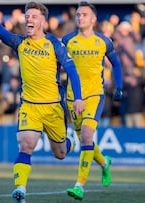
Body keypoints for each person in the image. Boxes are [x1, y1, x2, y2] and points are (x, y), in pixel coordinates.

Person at [0, 3, 85, 203]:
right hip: (29, 106)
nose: (29, 20)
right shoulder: (20, 43)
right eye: (27, 16)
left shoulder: (55, 44)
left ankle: (70, 143)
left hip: (53, 107)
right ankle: (20, 189)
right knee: (26, 145)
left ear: (43, 21)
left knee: (60, 153)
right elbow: (0, 31)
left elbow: (73, 72)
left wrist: (77, 97)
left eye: (33, 16)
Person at [61, 1, 123, 200]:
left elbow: (117, 64)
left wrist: (119, 86)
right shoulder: (67, 40)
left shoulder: (104, 41)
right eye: (78, 14)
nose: (80, 18)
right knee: (84, 140)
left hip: (95, 94)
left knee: (87, 136)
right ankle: (105, 163)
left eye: (84, 15)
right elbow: (56, 63)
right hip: (72, 97)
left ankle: (79, 185)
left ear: (93, 19)